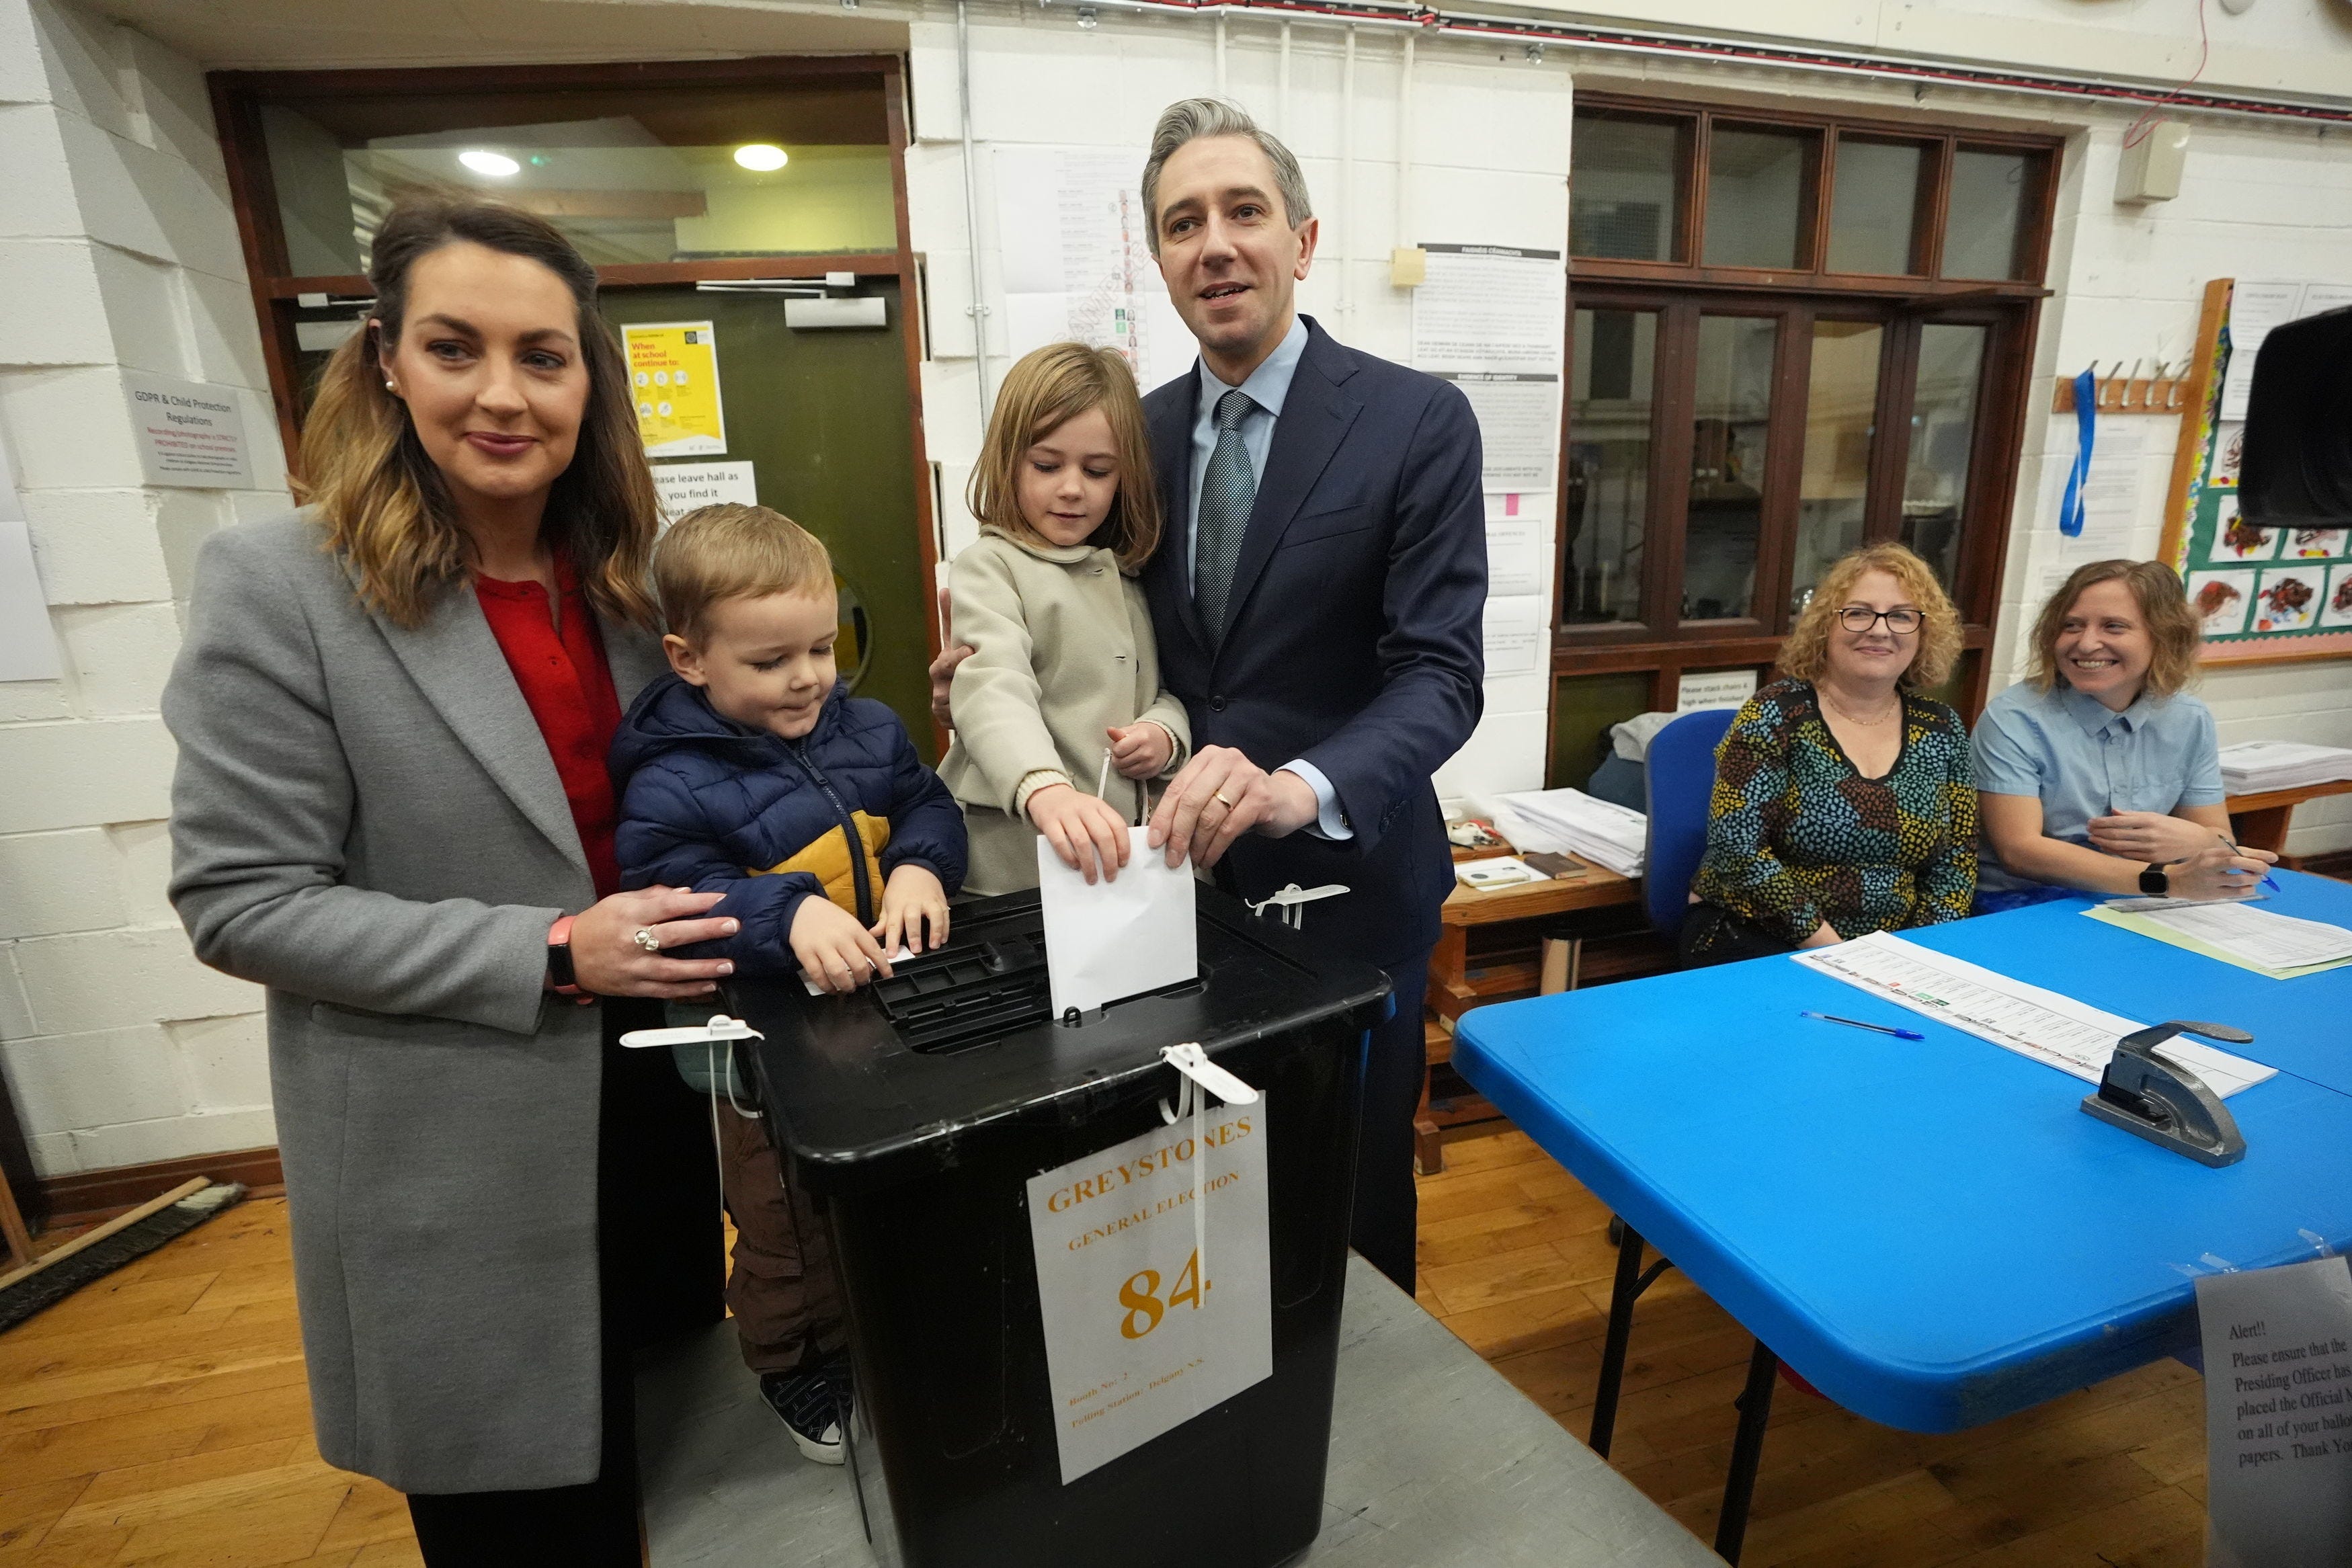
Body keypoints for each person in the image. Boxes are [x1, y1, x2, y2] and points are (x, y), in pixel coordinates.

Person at [163, 198, 729, 1565]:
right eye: (454, 346)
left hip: (649, 1112)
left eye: (543, 354)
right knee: (528, 1530)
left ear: (588, 379)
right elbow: (239, 899)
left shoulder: (623, 586)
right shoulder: (278, 584)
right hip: (459, 1152)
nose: (500, 391)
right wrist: (548, 948)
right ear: (384, 360)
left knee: (686, 1482)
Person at [934, 98, 1486, 1294]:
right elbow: (1111, 638)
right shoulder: (1129, 436)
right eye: (1182, 222)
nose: (1214, 242)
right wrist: (991, 676)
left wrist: (1299, 785)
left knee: (1346, 1196)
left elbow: (1439, 672)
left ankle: (1371, 1434)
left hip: (1348, 898)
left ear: (1302, 237)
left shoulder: (1414, 421)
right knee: (1184, 1203)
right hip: (1158, 899)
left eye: (1243, 211)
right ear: (1159, 259)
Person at [610, 501, 966, 1462]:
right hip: (760, 1044)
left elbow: (925, 804)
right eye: (770, 663)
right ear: (688, 659)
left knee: (889, 1181)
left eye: (820, 646)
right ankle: (794, 1360)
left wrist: (924, 865)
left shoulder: (870, 727)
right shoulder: (667, 781)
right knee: (783, 1214)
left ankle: (888, 1322)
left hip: (876, 1012)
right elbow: (667, 895)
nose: (808, 676)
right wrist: (791, 910)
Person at [938, 342, 1191, 892]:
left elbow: (1164, 689)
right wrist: (1042, 787)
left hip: (1119, 865)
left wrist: (1164, 733)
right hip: (1010, 864)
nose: (1072, 488)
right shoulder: (990, 566)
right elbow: (993, 686)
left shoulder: (1126, 575)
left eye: (1098, 471)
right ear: (1009, 460)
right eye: (1047, 465)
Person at [1684, 543, 1977, 966]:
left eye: (1901, 616)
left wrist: (1919, 955)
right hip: (1762, 935)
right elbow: (1738, 849)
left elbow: (1957, 861)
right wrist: (1834, 950)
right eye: (1858, 612)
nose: (1880, 630)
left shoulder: (1942, 728)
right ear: (1825, 626)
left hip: (1894, 954)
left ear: (1923, 633)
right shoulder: (1776, 713)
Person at [1975, 559, 2273, 909]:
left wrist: (2197, 840)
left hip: (2146, 896)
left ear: (2164, 637)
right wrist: (2165, 879)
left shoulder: (2189, 719)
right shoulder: (2014, 717)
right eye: (2072, 626)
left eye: (2114, 627)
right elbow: (2020, 851)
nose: (2086, 644)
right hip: (2024, 902)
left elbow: (2219, 838)